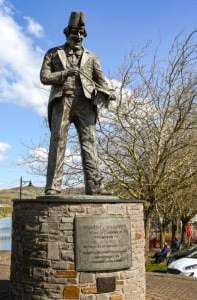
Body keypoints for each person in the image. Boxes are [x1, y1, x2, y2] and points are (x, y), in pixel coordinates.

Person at [40, 12, 116, 195]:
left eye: (82, 33)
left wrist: (109, 91)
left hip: (86, 103)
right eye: (75, 32)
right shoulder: (53, 53)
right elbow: (44, 77)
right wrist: (64, 74)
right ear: (67, 33)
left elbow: (101, 81)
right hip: (62, 101)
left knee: (90, 142)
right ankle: (53, 186)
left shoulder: (92, 56)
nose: (79, 36)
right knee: (58, 142)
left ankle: (95, 186)